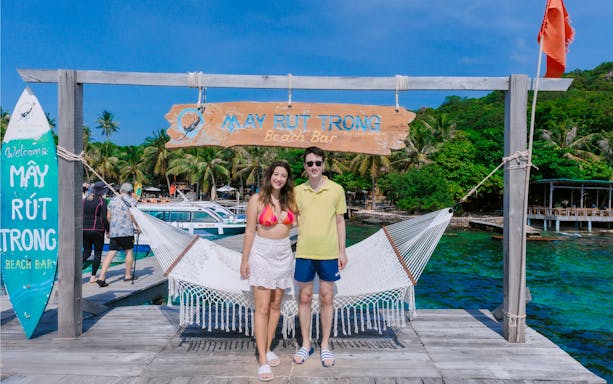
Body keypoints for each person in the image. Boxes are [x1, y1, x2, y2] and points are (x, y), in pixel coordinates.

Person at [240, 161, 297, 382]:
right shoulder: (257, 200)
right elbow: (249, 231)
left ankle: (268, 346)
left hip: (284, 255)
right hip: (262, 254)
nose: (279, 178)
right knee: (262, 308)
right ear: (269, 176)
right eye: (276, 174)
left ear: (287, 179)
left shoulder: (290, 200)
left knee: (276, 306)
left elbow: (306, 222)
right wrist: (244, 260)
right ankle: (262, 359)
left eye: (283, 175)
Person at [293, 146, 347, 368]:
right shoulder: (297, 191)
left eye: (317, 163)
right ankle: (305, 344)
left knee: (327, 298)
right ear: (305, 167)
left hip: (328, 253)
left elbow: (340, 222)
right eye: (309, 163)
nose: (314, 167)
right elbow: (291, 218)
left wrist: (342, 251)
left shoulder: (336, 190)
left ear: (323, 165)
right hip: (304, 252)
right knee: (304, 298)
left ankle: (325, 345)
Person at [96, 182, 141, 287]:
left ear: (121, 190)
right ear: (130, 192)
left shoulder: (112, 200)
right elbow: (132, 215)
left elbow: (108, 216)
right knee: (129, 252)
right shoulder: (132, 201)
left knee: (111, 253)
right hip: (127, 231)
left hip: (114, 231)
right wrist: (138, 226)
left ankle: (101, 276)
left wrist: (112, 227)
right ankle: (127, 275)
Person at [82, 181, 110, 283]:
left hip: (84, 230)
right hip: (97, 230)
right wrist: (108, 230)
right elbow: (103, 218)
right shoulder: (103, 201)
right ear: (102, 192)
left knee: (86, 252)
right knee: (97, 253)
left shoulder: (84, 200)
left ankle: (74, 272)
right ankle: (93, 276)